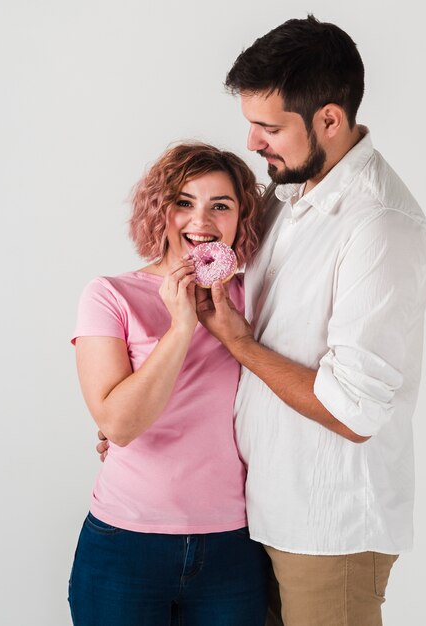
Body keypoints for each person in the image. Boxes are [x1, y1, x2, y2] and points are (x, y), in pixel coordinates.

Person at [194, 16, 426, 626]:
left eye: (269, 127)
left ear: (329, 119)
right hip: (263, 511)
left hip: (331, 530)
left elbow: (353, 412)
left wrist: (241, 345)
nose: (251, 142)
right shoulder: (288, 197)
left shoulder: (380, 225)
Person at [68, 143, 269, 626]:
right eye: (183, 202)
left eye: (220, 205)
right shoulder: (110, 294)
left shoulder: (252, 298)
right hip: (124, 544)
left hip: (233, 545)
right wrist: (182, 326)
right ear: (159, 212)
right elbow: (118, 424)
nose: (200, 220)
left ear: (240, 219)